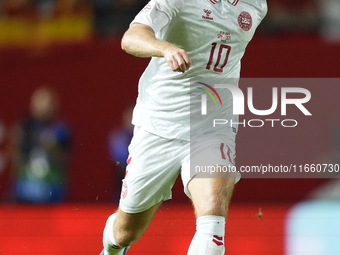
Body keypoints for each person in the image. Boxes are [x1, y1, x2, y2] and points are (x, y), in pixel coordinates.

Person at [100, 0, 267, 254]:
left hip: (212, 127)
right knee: (125, 233)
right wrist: (164, 48)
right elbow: (131, 38)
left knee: (212, 233)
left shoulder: (255, 5)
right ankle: (111, 250)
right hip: (159, 126)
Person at [11, 87, 71, 203]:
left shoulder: (62, 130)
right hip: (25, 190)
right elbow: (16, 156)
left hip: (52, 191)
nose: (44, 107)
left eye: (48, 103)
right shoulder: (24, 127)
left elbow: (65, 159)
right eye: (39, 102)